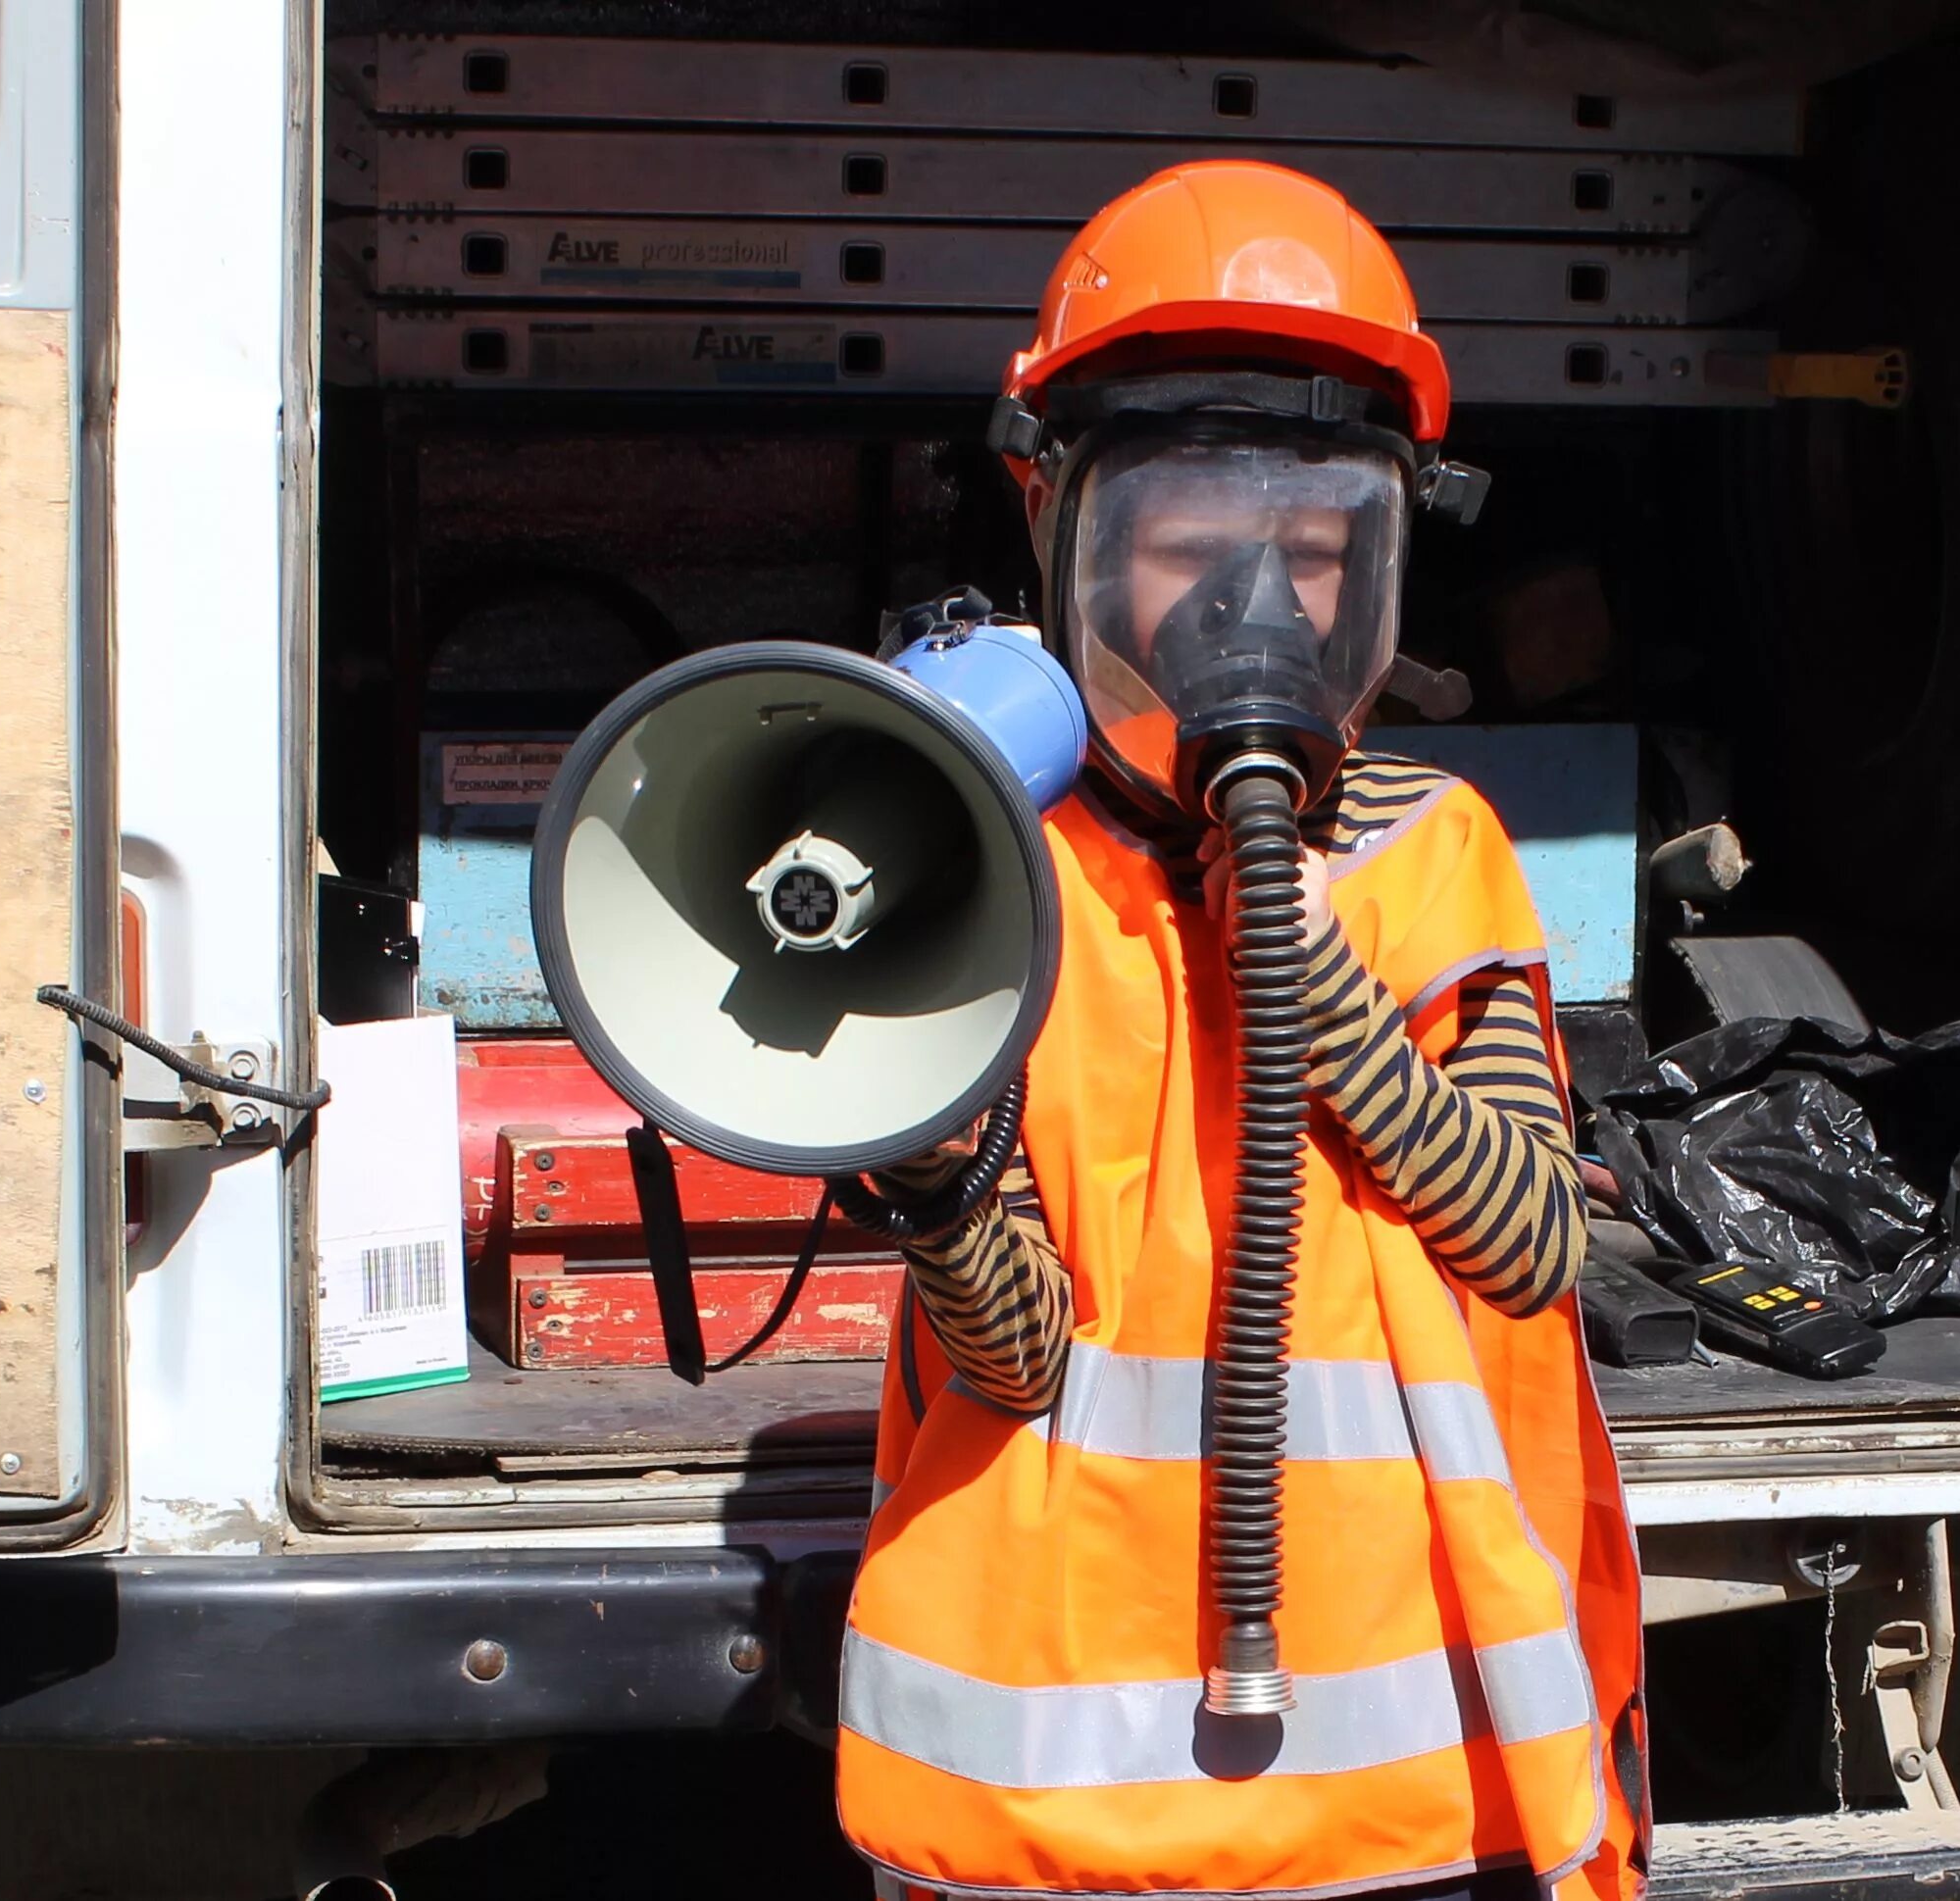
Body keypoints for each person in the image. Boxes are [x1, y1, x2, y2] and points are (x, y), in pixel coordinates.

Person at [834, 159, 1648, 1901]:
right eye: (1191, 548)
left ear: (1386, 554)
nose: (1251, 612)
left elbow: (1528, 1239)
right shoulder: (998, 873)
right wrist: (931, 1169)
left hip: (1397, 1780)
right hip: (1057, 1796)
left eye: (1311, 548)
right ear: (1057, 523)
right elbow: (1017, 1361)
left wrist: (1283, 930)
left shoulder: (1433, 852)